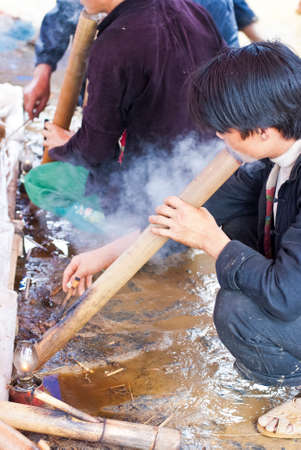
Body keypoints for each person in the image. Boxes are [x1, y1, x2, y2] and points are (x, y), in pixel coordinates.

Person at [63, 41, 301, 439]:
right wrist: (105, 254)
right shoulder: (271, 157)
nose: (218, 139)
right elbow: (190, 213)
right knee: (238, 224)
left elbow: (285, 292)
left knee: (239, 309)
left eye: (224, 131)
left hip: (293, 290)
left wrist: (212, 242)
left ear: (263, 131)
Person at [24, 0, 226, 232]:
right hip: (208, 179)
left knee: (39, 182)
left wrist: (68, 144)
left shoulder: (115, 45)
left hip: (155, 196)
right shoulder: (191, 9)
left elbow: (95, 151)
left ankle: (122, 234)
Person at [23, 0, 261, 120]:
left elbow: (231, 12)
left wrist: (262, 47)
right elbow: (65, 11)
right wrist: (42, 71)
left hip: (204, 80)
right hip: (134, 72)